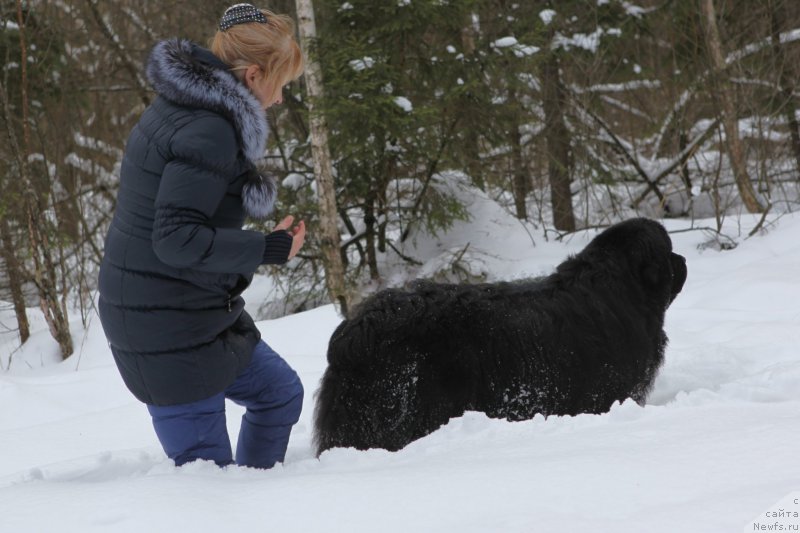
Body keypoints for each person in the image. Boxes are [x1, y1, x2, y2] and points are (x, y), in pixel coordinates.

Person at [97, 4, 306, 469]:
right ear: (253, 75)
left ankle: (265, 492)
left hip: (193, 307)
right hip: (162, 326)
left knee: (280, 394)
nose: (279, 100)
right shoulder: (209, 129)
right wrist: (267, 248)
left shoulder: (188, 104)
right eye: (281, 85)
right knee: (207, 481)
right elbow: (176, 239)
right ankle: (245, 501)